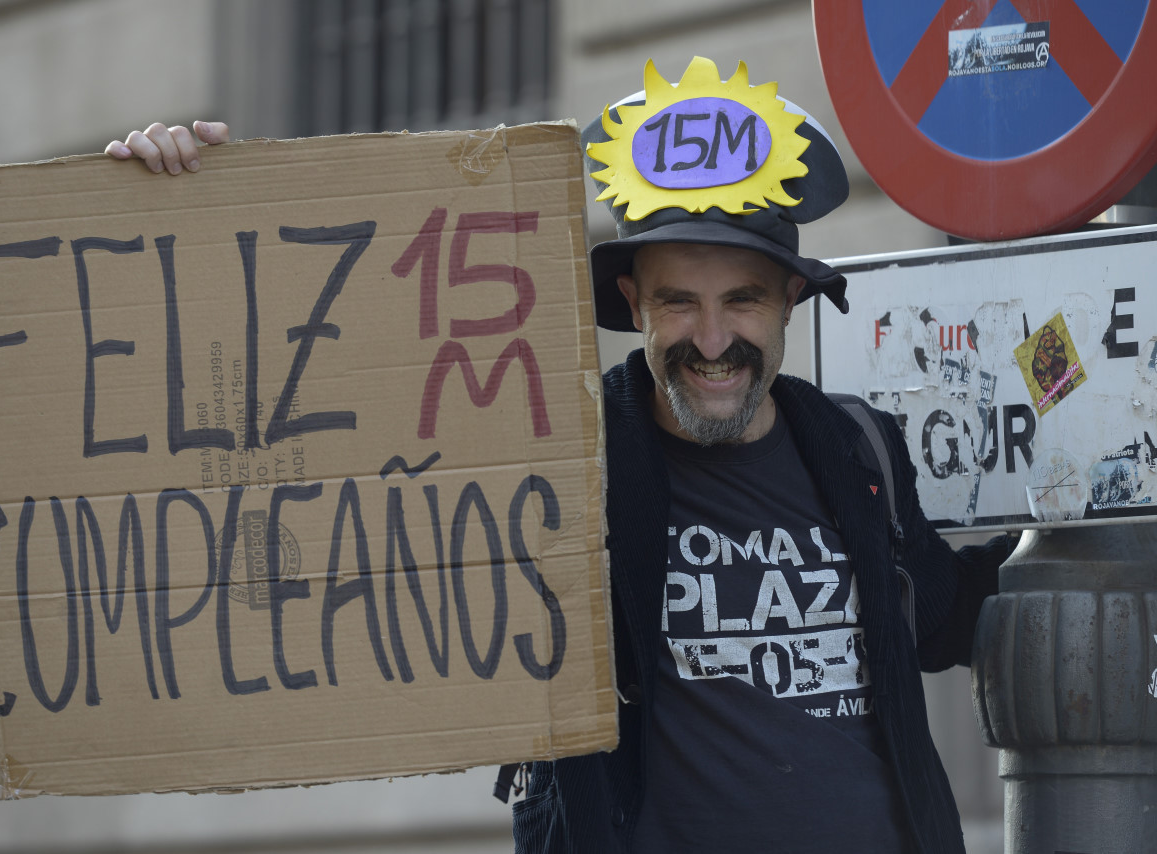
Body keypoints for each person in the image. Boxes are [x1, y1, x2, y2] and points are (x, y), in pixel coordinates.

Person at [108, 56, 1014, 854]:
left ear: (789, 302)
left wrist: (1102, 538)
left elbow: (941, 614)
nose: (710, 340)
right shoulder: (548, 459)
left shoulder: (859, 452)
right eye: (676, 303)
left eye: (741, 301)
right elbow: (304, 411)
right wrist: (183, 208)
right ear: (632, 301)